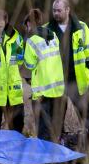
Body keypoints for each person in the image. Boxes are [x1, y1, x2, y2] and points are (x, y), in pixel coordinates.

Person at [45, 0, 89, 146]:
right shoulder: (46, 30)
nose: (56, 13)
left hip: (78, 80)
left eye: (59, 10)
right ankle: (57, 144)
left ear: (67, 10)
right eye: (54, 10)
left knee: (87, 114)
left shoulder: (81, 27)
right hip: (56, 82)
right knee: (56, 116)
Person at [23, 8, 65, 142]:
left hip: (42, 90)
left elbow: (29, 65)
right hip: (57, 87)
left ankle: (44, 160)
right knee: (54, 126)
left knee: (43, 129)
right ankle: (56, 156)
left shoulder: (32, 40)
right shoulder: (53, 35)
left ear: (29, 24)